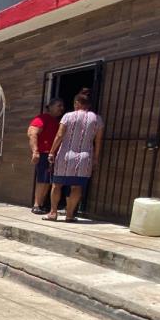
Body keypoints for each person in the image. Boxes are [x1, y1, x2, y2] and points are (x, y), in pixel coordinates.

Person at [44, 88, 104, 222]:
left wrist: (52, 151)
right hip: (84, 158)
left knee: (57, 185)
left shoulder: (68, 116)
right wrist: (96, 158)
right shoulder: (97, 119)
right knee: (77, 187)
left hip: (65, 155)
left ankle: (53, 213)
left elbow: (59, 135)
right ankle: (70, 215)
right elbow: (98, 141)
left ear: (77, 103)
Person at [27, 99, 65, 214]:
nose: (61, 108)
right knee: (42, 180)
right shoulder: (42, 118)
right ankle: (37, 205)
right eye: (59, 105)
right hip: (44, 154)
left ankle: (42, 204)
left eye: (62, 106)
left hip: (53, 155)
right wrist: (35, 152)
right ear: (51, 107)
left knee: (48, 181)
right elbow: (32, 133)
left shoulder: (57, 121)